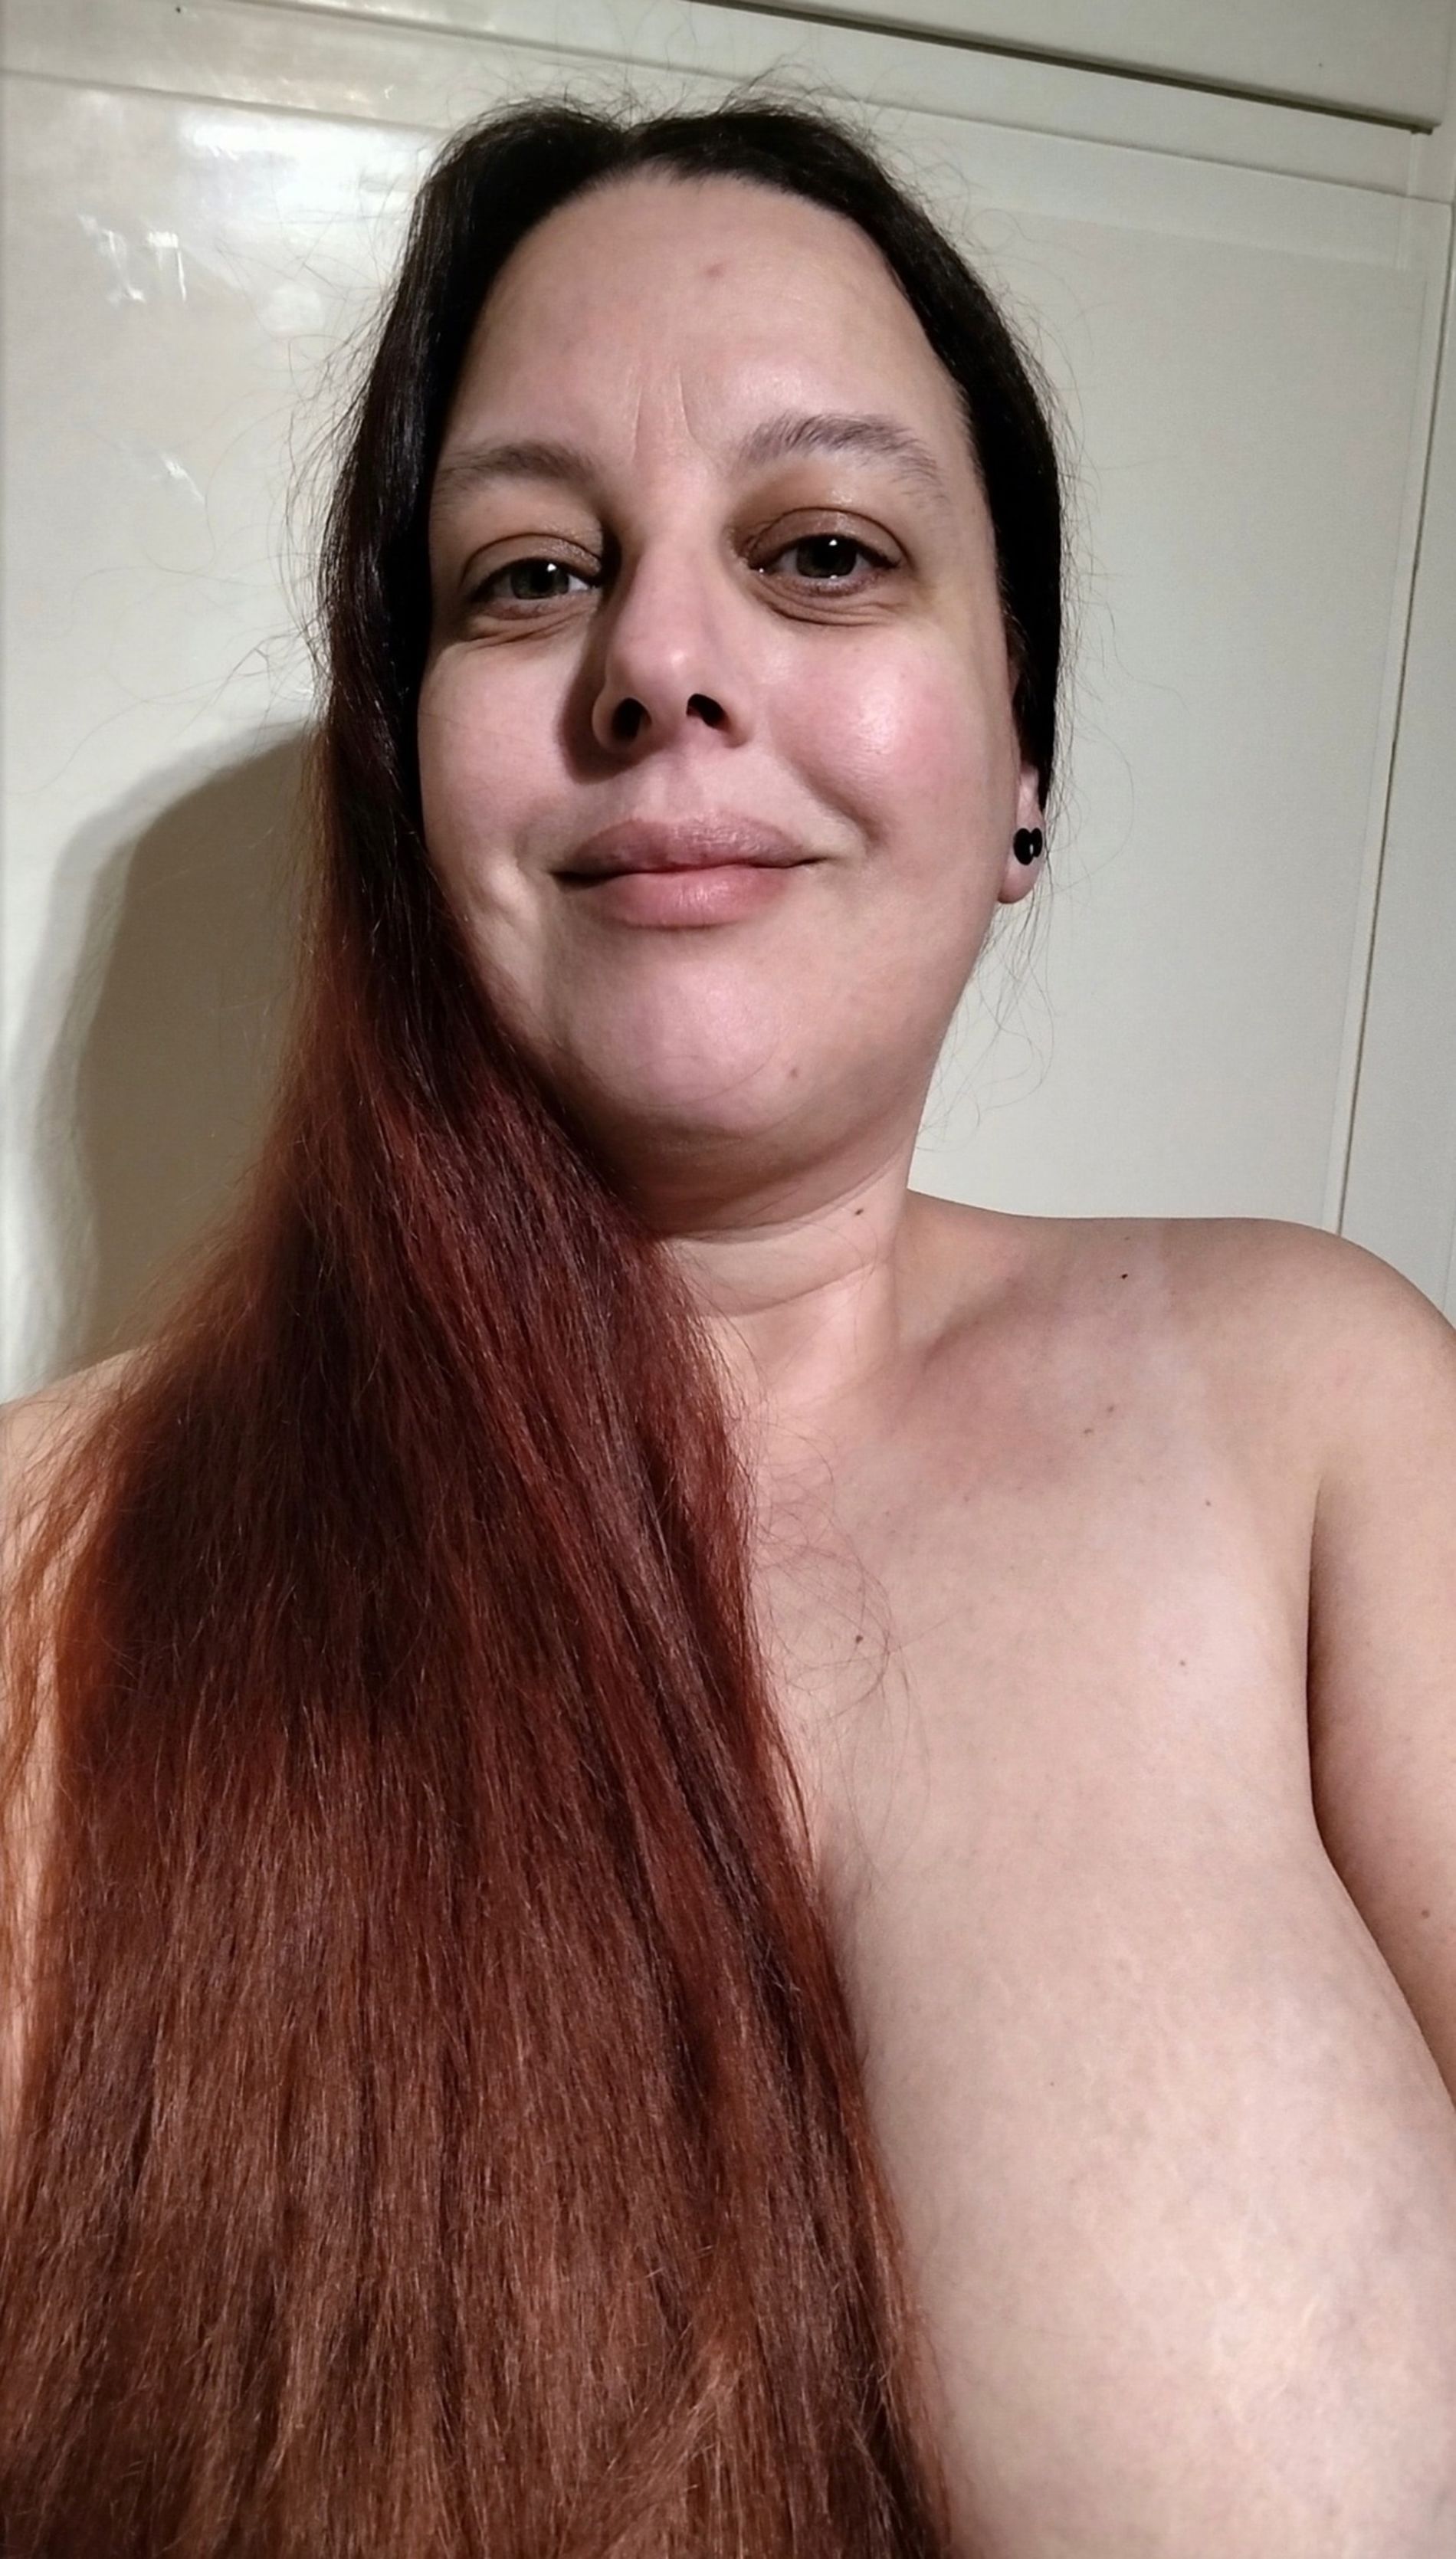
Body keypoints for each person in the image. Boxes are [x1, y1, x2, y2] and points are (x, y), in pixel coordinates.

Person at [3, 85, 1456, 2559]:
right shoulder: (58, 1569)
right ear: (406, 778)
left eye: (821, 550)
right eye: (529, 575)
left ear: (1021, 756)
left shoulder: (1328, 1417)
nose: (662, 660)